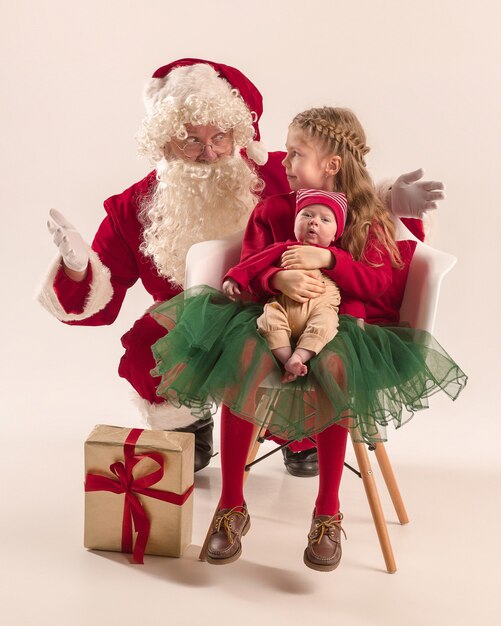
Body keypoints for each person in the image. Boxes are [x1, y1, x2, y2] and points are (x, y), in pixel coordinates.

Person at [37, 57, 445, 475]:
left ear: (240, 131)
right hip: (193, 315)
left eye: (221, 136)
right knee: (147, 346)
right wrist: (75, 265)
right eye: (190, 141)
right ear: (164, 141)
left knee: (304, 338)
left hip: (280, 299)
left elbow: (342, 198)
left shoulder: (279, 170)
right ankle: (190, 424)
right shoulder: (133, 206)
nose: (209, 152)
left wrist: (392, 201)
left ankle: (298, 433)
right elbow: (102, 292)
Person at [150, 106, 466, 571]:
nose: (286, 162)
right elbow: (251, 267)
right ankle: (231, 505)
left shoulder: (368, 218)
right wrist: (277, 279)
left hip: (345, 327)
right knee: (243, 364)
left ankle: (327, 511)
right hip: (269, 317)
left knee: (334, 370)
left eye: (297, 154)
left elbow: (384, 285)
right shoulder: (273, 212)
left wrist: (330, 262)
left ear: (331, 164)